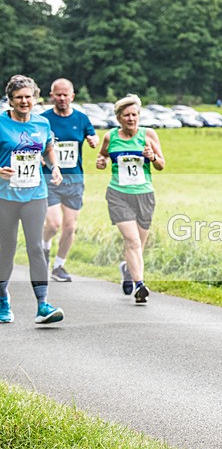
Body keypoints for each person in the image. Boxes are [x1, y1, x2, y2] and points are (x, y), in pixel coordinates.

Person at [0, 75, 65, 325]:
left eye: (28, 97)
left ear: (35, 97)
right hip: (5, 196)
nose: (24, 101)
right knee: (5, 250)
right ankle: (3, 300)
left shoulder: (42, 123)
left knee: (36, 248)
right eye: (19, 98)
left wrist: (54, 166)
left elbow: (48, 147)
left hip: (35, 193)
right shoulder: (1, 123)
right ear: (10, 100)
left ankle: (43, 304)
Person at [95, 94, 165, 304]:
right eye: (127, 115)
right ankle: (140, 285)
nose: (131, 119)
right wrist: (102, 161)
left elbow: (161, 164)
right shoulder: (111, 137)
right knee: (132, 241)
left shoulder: (148, 135)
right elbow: (103, 155)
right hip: (118, 194)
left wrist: (152, 157)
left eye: (134, 115)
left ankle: (127, 270)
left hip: (144, 195)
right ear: (119, 118)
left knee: (139, 247)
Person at [42, 78, 98, 282]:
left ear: (72, 96)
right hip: (50, 180)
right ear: (52, 96)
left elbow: (93, 136)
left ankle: (59, 266)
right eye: (58, 94)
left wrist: (93, 140)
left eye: (66, 94)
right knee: (53, 224)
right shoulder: (44, 120)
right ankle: (45, 247)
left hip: (74, 180)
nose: (62, 98)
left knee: (70, 227)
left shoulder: (81, 119)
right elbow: (35, 144)